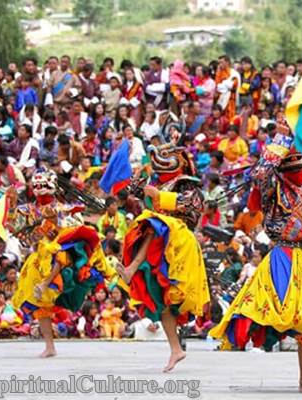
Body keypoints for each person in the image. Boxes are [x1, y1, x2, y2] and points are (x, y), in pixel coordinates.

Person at [210, 134, 302, 393]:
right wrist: (282, 136)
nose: (296, 166)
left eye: (300, 161)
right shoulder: (273, 188)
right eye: (290, 162)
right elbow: (260, 174)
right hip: (284, 257)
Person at [114, 143, 209, 372]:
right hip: (158, 244)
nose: (160, 160)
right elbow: (133, 189)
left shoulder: (188, 186)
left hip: (178, 241)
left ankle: (131, 269)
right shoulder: (155, 182)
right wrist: (143, 168)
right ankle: (176, 349)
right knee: (161, 298)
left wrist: (161, 197)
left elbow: (192, 205)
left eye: (167, 156)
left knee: (153, 222)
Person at [11, 170, 115, 357]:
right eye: (36, 185)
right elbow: (22, 237)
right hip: (37, 259)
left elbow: (75, 232)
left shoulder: (65, 208)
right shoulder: (27, 210)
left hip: (61, 256)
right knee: (40, 304)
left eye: (44, 184)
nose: (39, 188)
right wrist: (15, 208)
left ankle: (46, 285)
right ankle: (50, 346)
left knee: (58, 255)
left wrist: (56, 229)